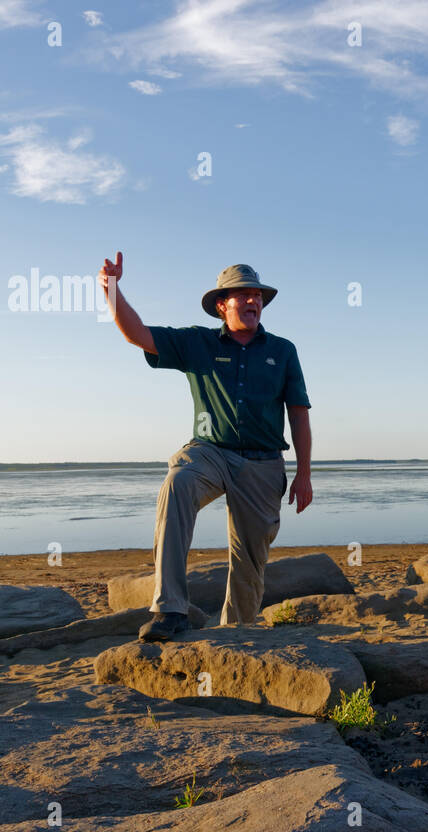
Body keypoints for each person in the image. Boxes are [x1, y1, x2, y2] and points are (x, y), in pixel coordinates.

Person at [98, 253, 313, 641]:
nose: (253, 302)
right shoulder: (195, 342)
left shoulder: (283, 351)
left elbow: (298, 414)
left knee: (249, 562)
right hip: (209, 451)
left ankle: (238, 633)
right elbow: (137, 334)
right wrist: (113, 290)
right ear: (222, 305)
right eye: (244, 295)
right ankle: (170, 609)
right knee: (177, 483)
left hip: (263, 463)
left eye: (258, 296)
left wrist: (303, 474)